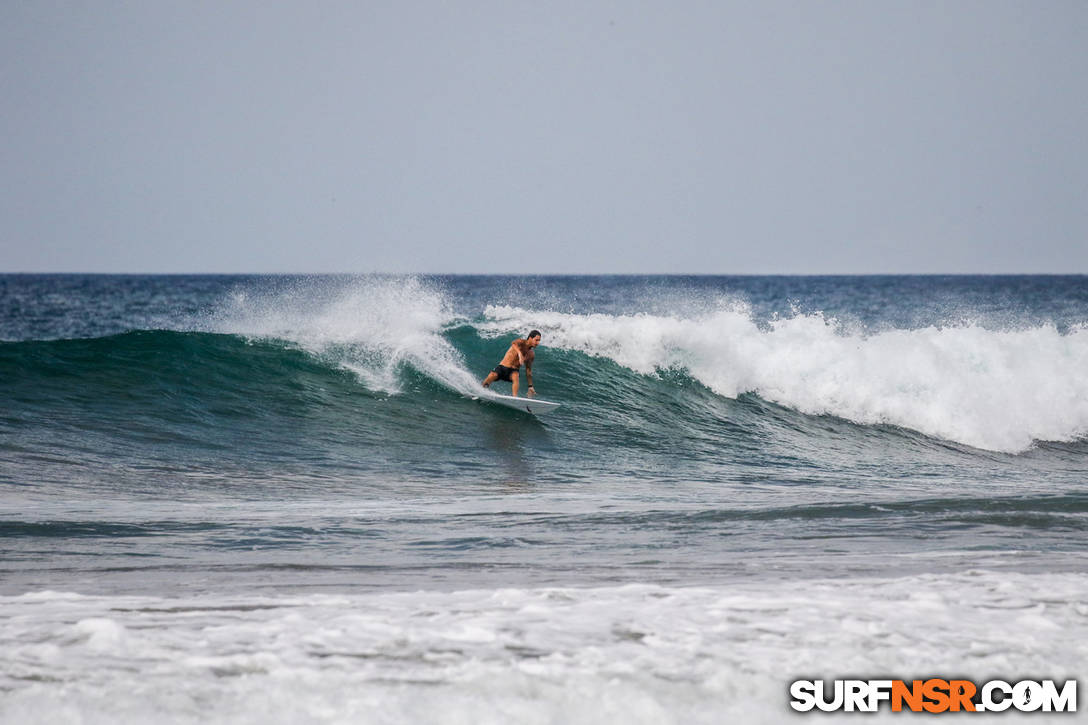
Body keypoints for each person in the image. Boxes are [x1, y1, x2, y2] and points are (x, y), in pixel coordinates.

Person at [481, 330, 541, 398]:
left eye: (539, 341)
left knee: (516, 377)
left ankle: (515, 398)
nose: (538, 343)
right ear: (530, 338)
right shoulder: (521, 342)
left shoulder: (531, 354)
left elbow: (528, 370)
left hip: (513, 371)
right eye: (536, 340)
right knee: (492, 375)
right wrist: (519, 353)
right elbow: (513, 344)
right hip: (502, 367)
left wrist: (530, 386)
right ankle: (482, 390)